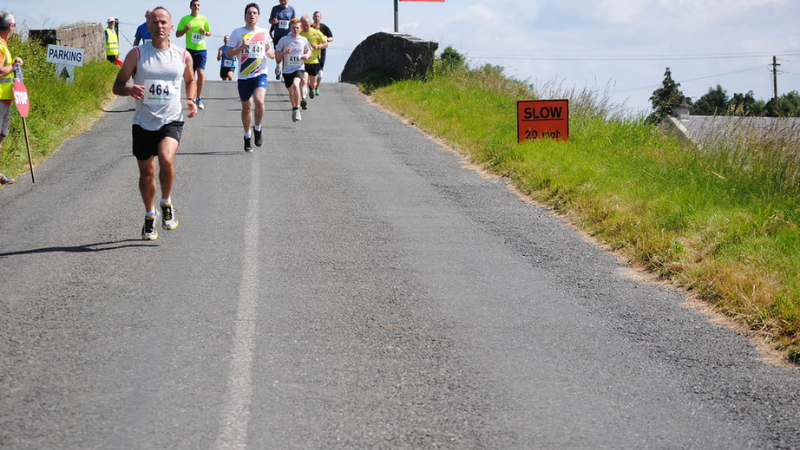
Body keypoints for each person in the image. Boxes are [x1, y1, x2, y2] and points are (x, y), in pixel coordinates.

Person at [112, 7, 198, 240]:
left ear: (171, 27)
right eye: (155, 22)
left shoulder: (182, 55)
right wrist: (129, 89)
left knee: (166, 157)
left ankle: (166, 202)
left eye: (164, 22)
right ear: (148, 27)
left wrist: (191, 99)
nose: (159, 26)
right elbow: (117, 86)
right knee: (146, 174)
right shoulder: (137, 54)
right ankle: (150, 215)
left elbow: (191, 80)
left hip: (171, 119)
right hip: (143, 122)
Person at [227, 3, 275, 151]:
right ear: (245, 16)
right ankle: (247, 135)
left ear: (258, 16)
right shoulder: (237, 32)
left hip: (260, 73)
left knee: (259, 101)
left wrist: (273, 55)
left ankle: (258, 128)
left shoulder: (264, 32)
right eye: (249, 13)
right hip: (244, 76)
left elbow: (268, 50)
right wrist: (242, 46)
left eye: (254, 13)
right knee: (247, 107)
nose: (252, 15)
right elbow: (228, 53)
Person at [176, 0, 212, 109]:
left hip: (201, 50)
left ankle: (199, 97)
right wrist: (186, 29)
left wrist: (205, 33)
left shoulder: (203, 19)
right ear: (190, 7)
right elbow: (177, 34)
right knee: (191, 76)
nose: (196, 7)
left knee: (201, 73)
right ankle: (191, 97)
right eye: (194, 5)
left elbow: (209, 32)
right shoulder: (185, 19)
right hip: (190, 51)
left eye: (198, 5)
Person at [275, 18, 311, 123]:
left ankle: (297, 109)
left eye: (297, 28)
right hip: (287, 70)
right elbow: (276, 53)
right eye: (293, 28)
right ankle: (294, 107)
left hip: (299, 68)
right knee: (291, 92)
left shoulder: (303, 40)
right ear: (290, 28)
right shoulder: (284, 40)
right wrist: (284, 53)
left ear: (300, 28)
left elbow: (308, 50)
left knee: (296, 85)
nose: (295, 30)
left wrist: (306, 56)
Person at [0, 12, 23, 154]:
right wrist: (14, 66)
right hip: (0, 98)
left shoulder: (3, 45)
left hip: (6, 98)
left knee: (2, 134)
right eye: (14, 25)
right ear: (11, 26)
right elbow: (1, 71)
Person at [299, 15, 327, 105]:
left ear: (310, 23)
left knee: (313, 83)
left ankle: (312, 88)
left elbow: (326, 44)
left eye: (307, 24)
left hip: (314, 62)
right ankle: (303, 99)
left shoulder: (316, 32)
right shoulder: (299, 34)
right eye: (303, 24)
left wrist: (318, 46)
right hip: (303, 62)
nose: (305, 26)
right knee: (303, 81)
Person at [268, 0, 295, 80]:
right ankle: (278, 65)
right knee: (278, 54)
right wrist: (273, 21)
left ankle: (284, 74)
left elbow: (295, 21)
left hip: (288, 36)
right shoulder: (275, 9)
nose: (283, 1)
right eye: (281, 0)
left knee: (286, 55)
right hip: (278, 35)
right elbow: (270, 20)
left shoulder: (291, 9)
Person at [311, 11, 333, 96]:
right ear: (313, 18)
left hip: (322, 52)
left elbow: (331, 37)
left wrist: (326, 40)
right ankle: (312, 86)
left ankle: (317, 88)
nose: (316, 18)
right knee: (311, 71)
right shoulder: (310, 27)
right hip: (311, 52)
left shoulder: (324, 27)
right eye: (315, 16)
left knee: (320, 72)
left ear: (321, 18)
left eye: (318, 16)